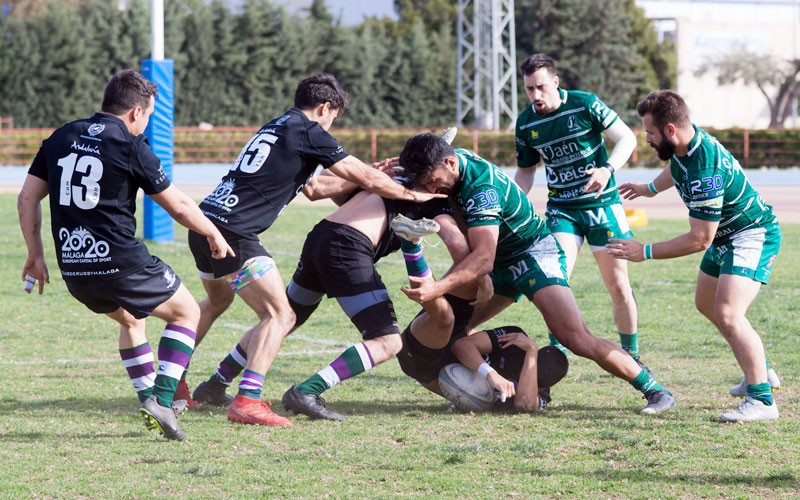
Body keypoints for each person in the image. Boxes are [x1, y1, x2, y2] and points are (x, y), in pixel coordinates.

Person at [185, 74, 442, 426]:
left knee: (218, 304)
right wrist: (412, 194)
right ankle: (247, 400)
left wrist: (367, 171)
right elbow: (363, 177)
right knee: (280, 316)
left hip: (206, 222)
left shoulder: (278, 128)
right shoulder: (309, 130)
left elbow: (316, 187)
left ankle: (182, 384)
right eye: (333, 119)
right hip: (233, 233)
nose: (330, 127)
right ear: (324, 107)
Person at [17, 69, 234, 441]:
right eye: (148, 115)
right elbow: (178, 205)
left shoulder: (60, 137)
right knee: (187, 312)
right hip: (121, 262)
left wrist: (36, 255)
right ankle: (163, 399)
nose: (146, 122)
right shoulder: (131, 145)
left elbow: (26, 198)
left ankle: (150, 401)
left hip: (76, 270)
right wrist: (211, 231)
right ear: (136, 111)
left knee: (132, 321)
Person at [398, 133, 676, 415]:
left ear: (449, 162)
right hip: (498, 259)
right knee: (455, 332)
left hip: (533, 255)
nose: (430, 187)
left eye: (432, 179)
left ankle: (654, 389)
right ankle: (501, 387)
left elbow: (483, 259)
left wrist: (436, 288)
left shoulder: (482, 189)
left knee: (575, 338)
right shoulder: (452, 160)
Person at [608, 90, 782, 422]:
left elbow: (700, 238)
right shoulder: (686, 145)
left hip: (750, 234)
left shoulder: (706, 168)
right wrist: (649, 189)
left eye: (651, 133)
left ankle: (762, 399)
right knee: (706, 303)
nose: (647, 139)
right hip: (727, 236)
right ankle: (761, 369)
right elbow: (676, 166)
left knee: (729, 313)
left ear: (670, 130)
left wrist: (644, 251)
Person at [508, 53, 648, 370]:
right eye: (529, 89)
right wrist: (513, 199)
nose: (535, 95)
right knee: (554, 282)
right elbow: (526, 171)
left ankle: (632, 355)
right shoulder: (526, 122)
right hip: (562, 211)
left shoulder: (585, 104)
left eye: (541, 87)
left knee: (619, 287)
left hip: (602, 206)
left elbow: (626, 137)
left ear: (555, 83)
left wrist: (607, 169)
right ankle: (558, 355)